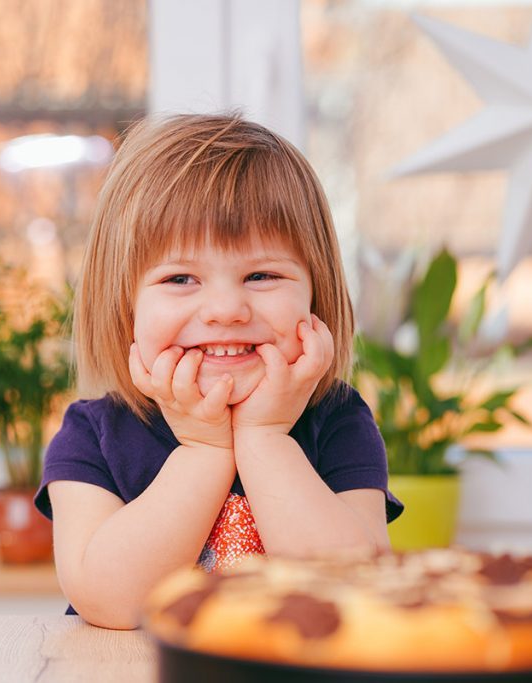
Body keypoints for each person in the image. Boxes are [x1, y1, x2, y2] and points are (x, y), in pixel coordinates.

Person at [33, 114, 403, 630]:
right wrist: (204, 450)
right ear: (124, 307)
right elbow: (109, 602)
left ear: (316, 295)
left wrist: (265, 438)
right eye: (181, 277)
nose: (226, 308)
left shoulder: (338, 420)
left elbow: (354, 594)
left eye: (262, 274)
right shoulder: (92, 435)